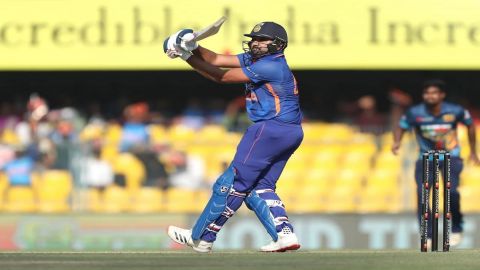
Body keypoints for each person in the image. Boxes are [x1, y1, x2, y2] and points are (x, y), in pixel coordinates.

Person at [164, 22, 303, 252]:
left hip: (269, 129)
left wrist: (185, 56)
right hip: (290, 131)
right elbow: (216, 59)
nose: (255, 43)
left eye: (262, 40)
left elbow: (221, 77)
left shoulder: (271, 65)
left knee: (231, 184)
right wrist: (192, 46)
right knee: (261, 187)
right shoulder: (255, 59)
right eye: (254, 39)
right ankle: (284, 234)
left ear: (277, 44)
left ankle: (202, 237)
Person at [392, 79, 480, 248]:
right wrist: (397, 141)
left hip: (451, 156)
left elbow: (470, 126)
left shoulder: (455, 111)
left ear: (442, 95)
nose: (430, 96)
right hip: (426, 157)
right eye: (427, 93)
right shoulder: (415, 112)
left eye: (434, 93)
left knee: (451, 193)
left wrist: (473, 151)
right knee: (423, 195)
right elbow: (402, 126)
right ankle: (428, 234)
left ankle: (456, 228)